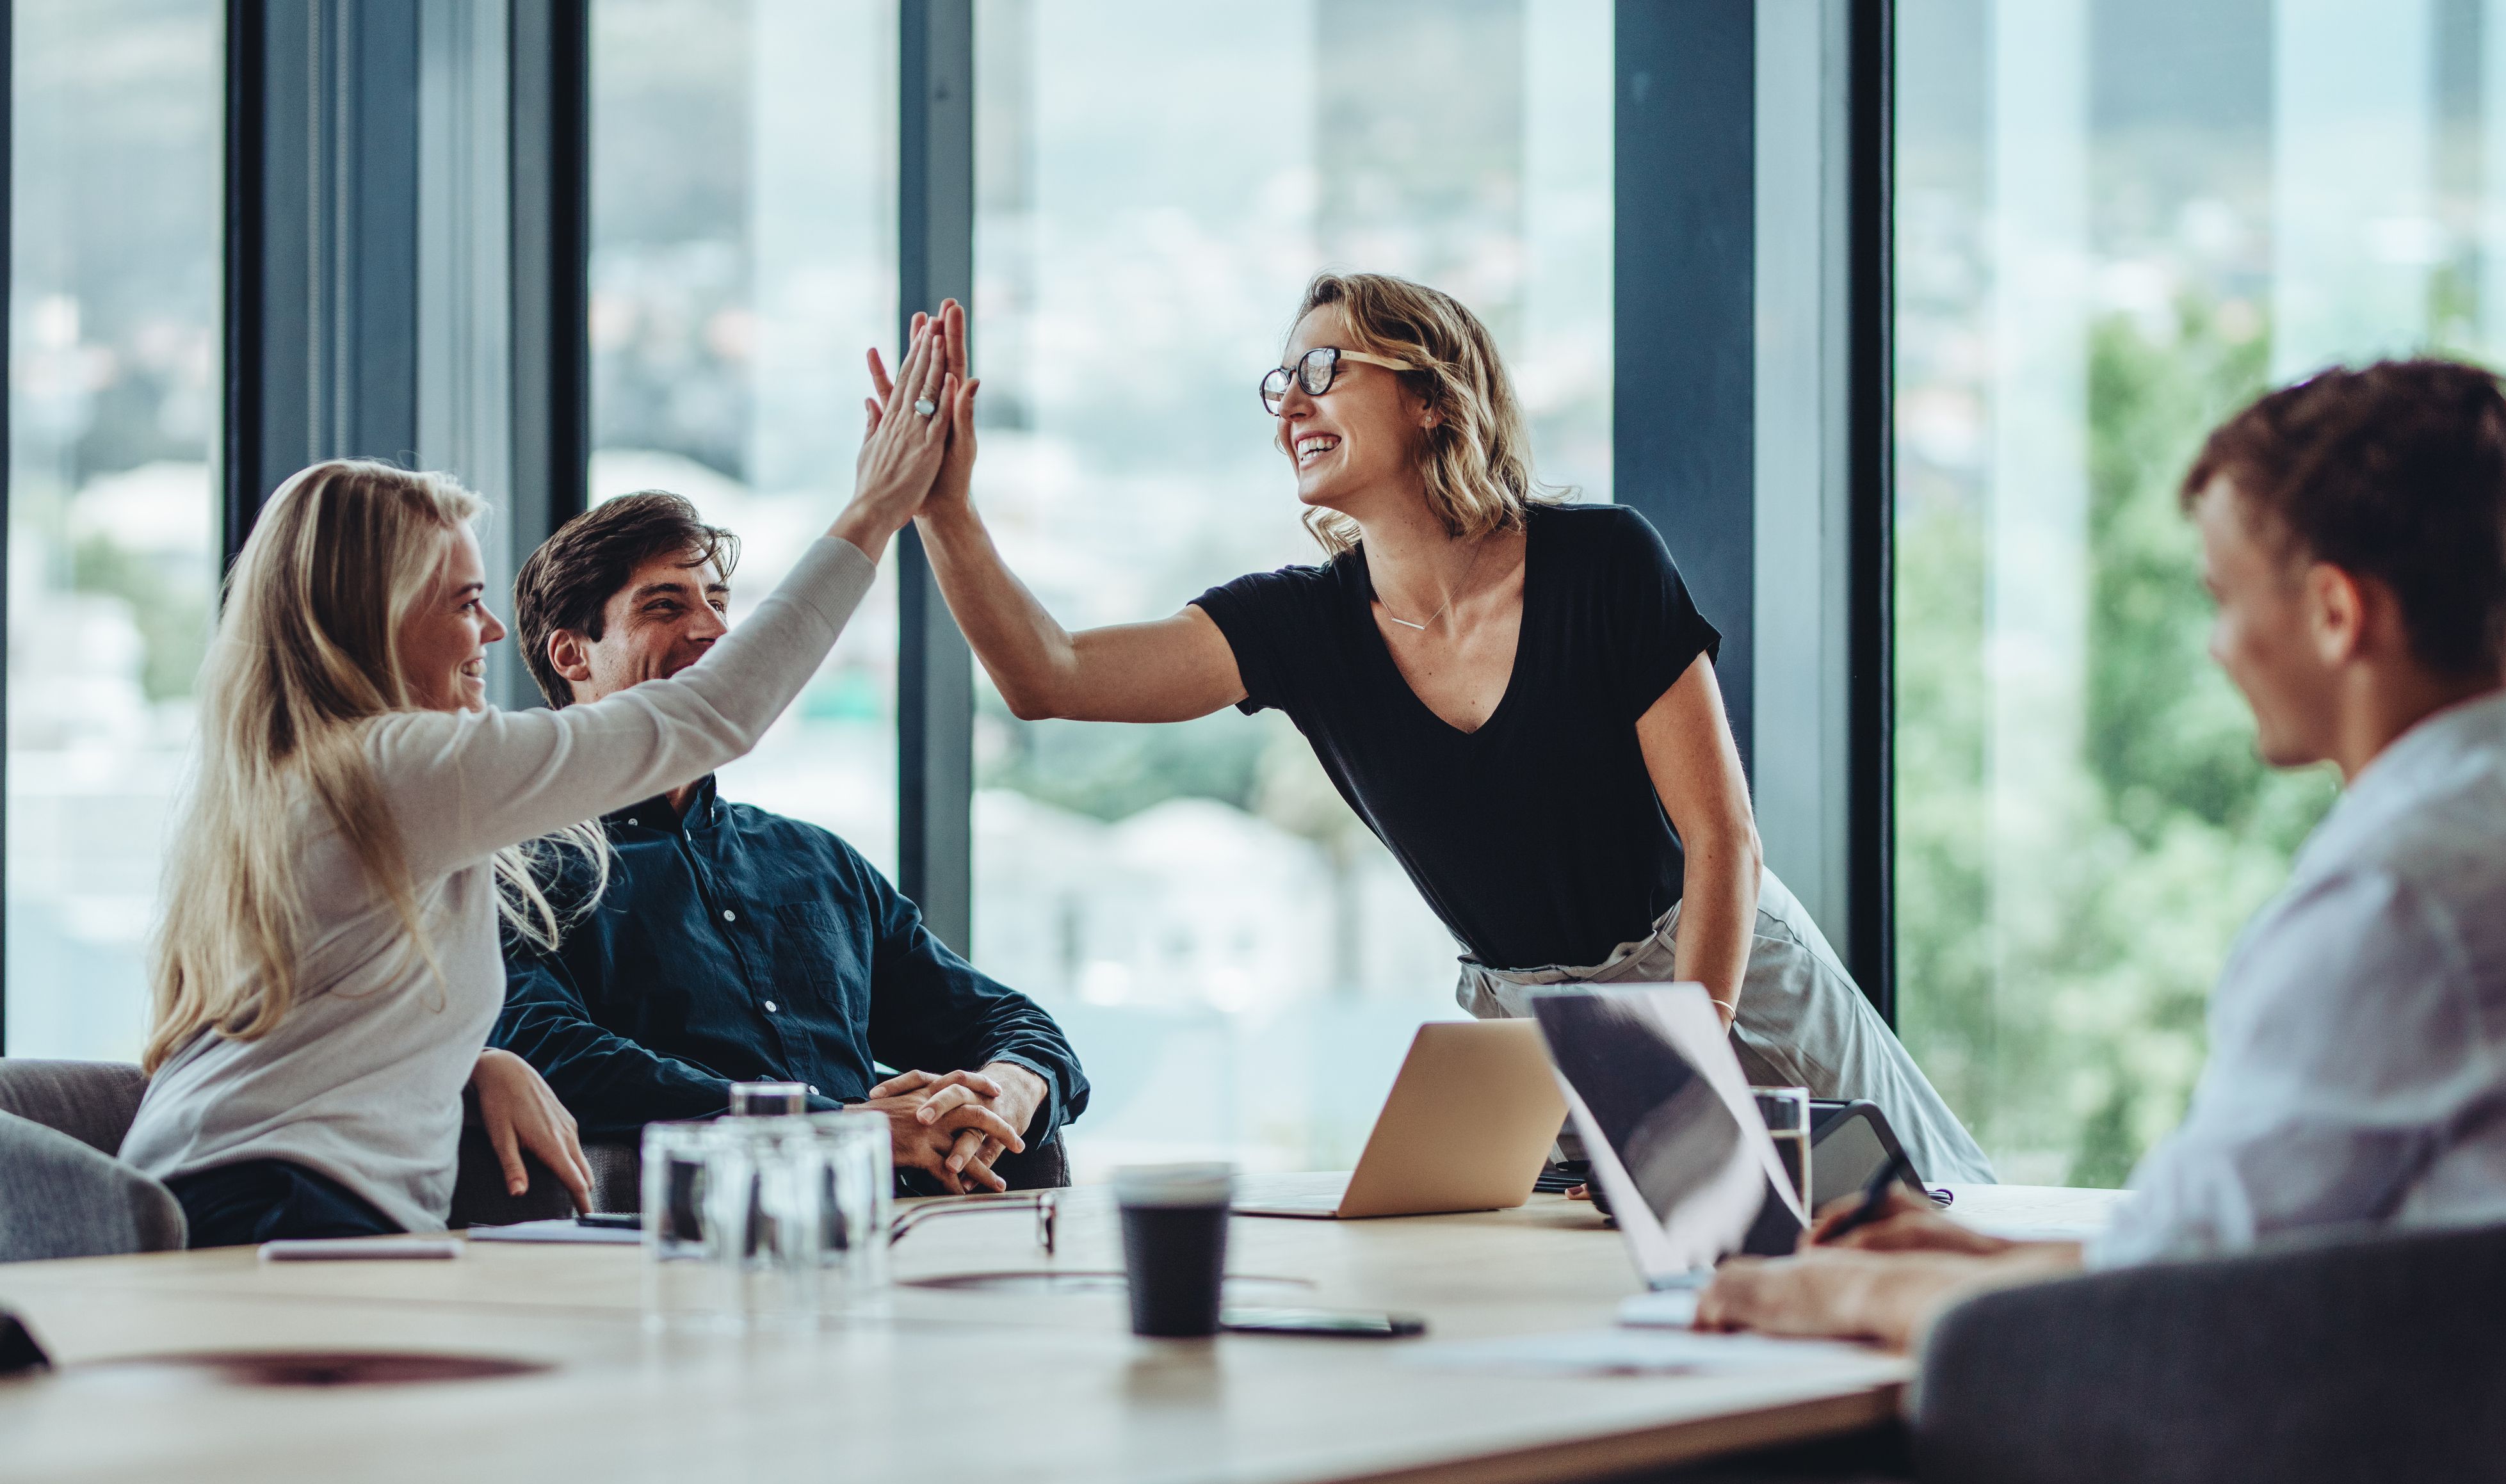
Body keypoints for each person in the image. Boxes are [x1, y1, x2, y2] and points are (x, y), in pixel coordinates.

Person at [880, 275, 1993, 1185]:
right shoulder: (1299, 626)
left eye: (1325, 370)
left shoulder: (1602, 562)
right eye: (1281, 384)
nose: (1291, 405)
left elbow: (1722, 841)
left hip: (1723, 965)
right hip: (1531, 1025)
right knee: (1605, 1297)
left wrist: (1679, 1053)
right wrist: (947, 511)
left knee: (1930, 1220)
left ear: (1428, 396)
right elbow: (1047, 674)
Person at [1698, 358, 2506, 1349]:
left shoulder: (2398, 894)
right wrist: (1971, 1255)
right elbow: (2218, 1248)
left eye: (2225, 599)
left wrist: (1835, 1296)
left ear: (2332, 614)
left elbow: (2166, 1308)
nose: (2216, 647)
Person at [115, 320, 957, 1246]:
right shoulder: (392, 767)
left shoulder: (302, 778)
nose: (491, 635)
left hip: (222, 1192)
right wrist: (872, 513)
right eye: (463, 602)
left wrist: (476, 1060)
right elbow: (711, 716)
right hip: (280, 1208)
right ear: (375, 617)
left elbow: (327, 1017)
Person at [489, 491, 1088, 1196]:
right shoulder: (517, 865)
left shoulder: (816, 860)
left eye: (717, 600)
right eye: (665, 605)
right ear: (572, 653)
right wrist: (834, 1124)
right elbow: (548, 1051)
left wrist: (1008, 1088)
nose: (714, 629)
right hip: (680, 1242)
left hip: (895, 1236)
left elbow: (1011, 1021)